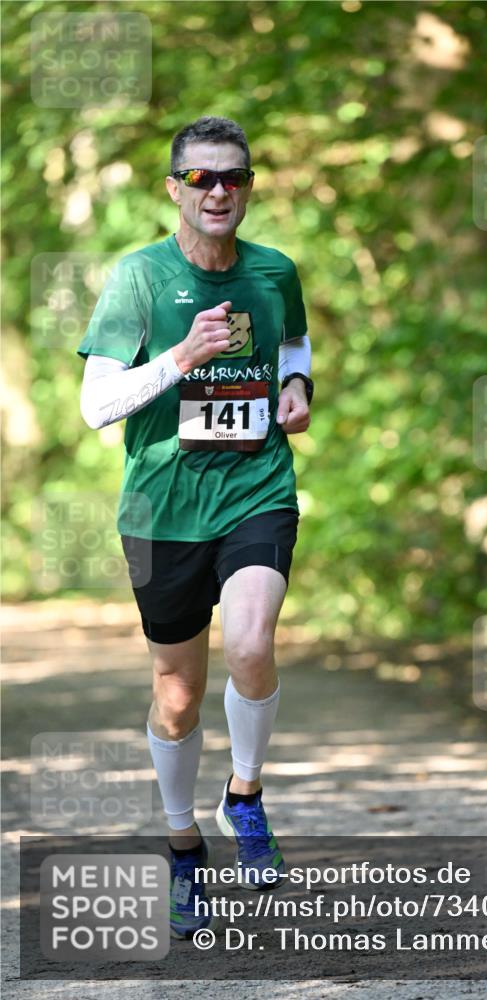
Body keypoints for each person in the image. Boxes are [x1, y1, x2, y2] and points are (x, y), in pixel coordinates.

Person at [77, 116, 314, 939]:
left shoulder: (275, 269)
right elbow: (94, 407)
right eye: (202, 178)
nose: (220, 191)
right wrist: (179, 359)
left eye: (235, 178)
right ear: (174, 188)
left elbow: (294, 344)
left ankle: (243, 795)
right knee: (175, 699)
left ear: (249, 187)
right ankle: (183, 847)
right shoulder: (138, 279)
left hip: (256, 489)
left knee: (252, 643)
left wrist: (297, 391)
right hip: (163, 509)